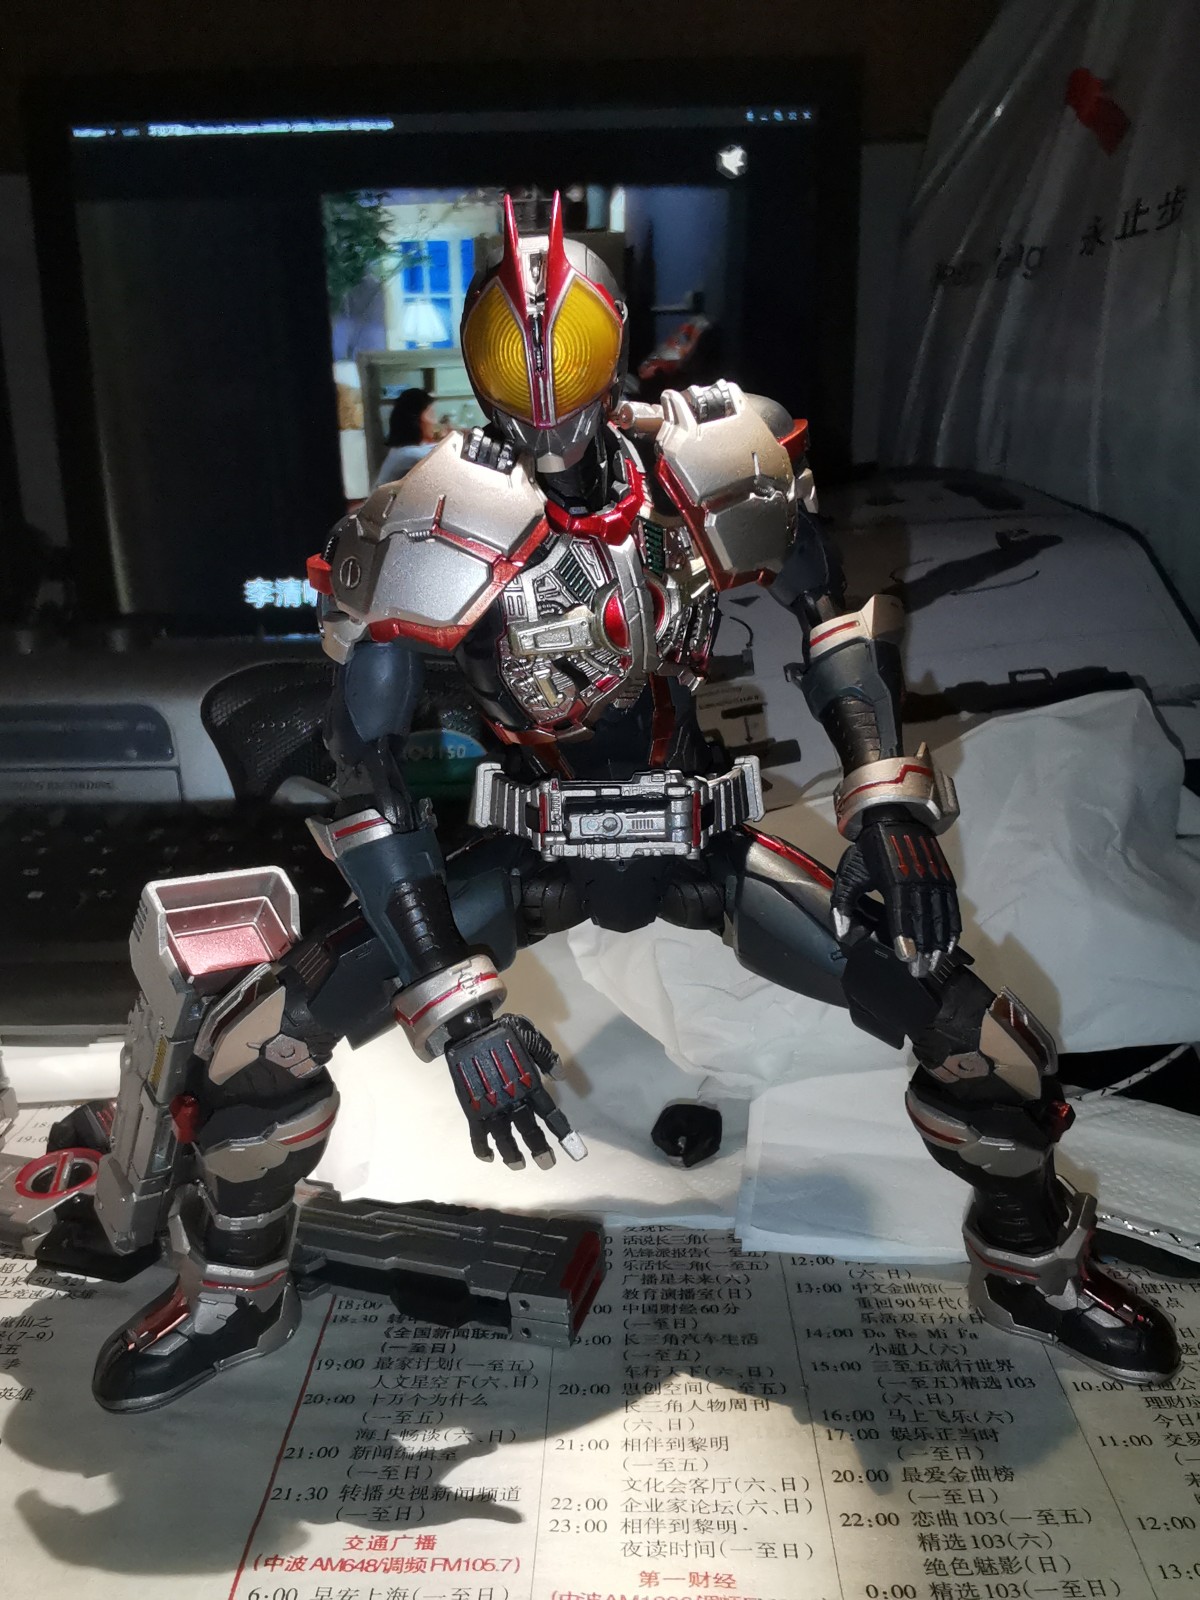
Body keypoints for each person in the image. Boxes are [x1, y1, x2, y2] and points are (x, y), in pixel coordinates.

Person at [87, 192, 1179, 1410]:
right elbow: (365, 770)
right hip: (531, 852)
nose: (549, 417)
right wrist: (456, 1004)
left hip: (700, 842)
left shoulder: (713, 457)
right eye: (520, 377)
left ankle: (1034, 1271)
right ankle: (236, 1291)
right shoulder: (432, 521)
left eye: (569, 370)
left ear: (610, 354)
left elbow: (830, 618)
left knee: (987, 1046)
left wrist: (886, 802)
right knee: (251, 1052)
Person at [372, 387, 439, 487]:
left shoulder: (404, 450)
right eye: (431, 414)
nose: (435, 421)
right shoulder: (410, 456)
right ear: (416, 420)